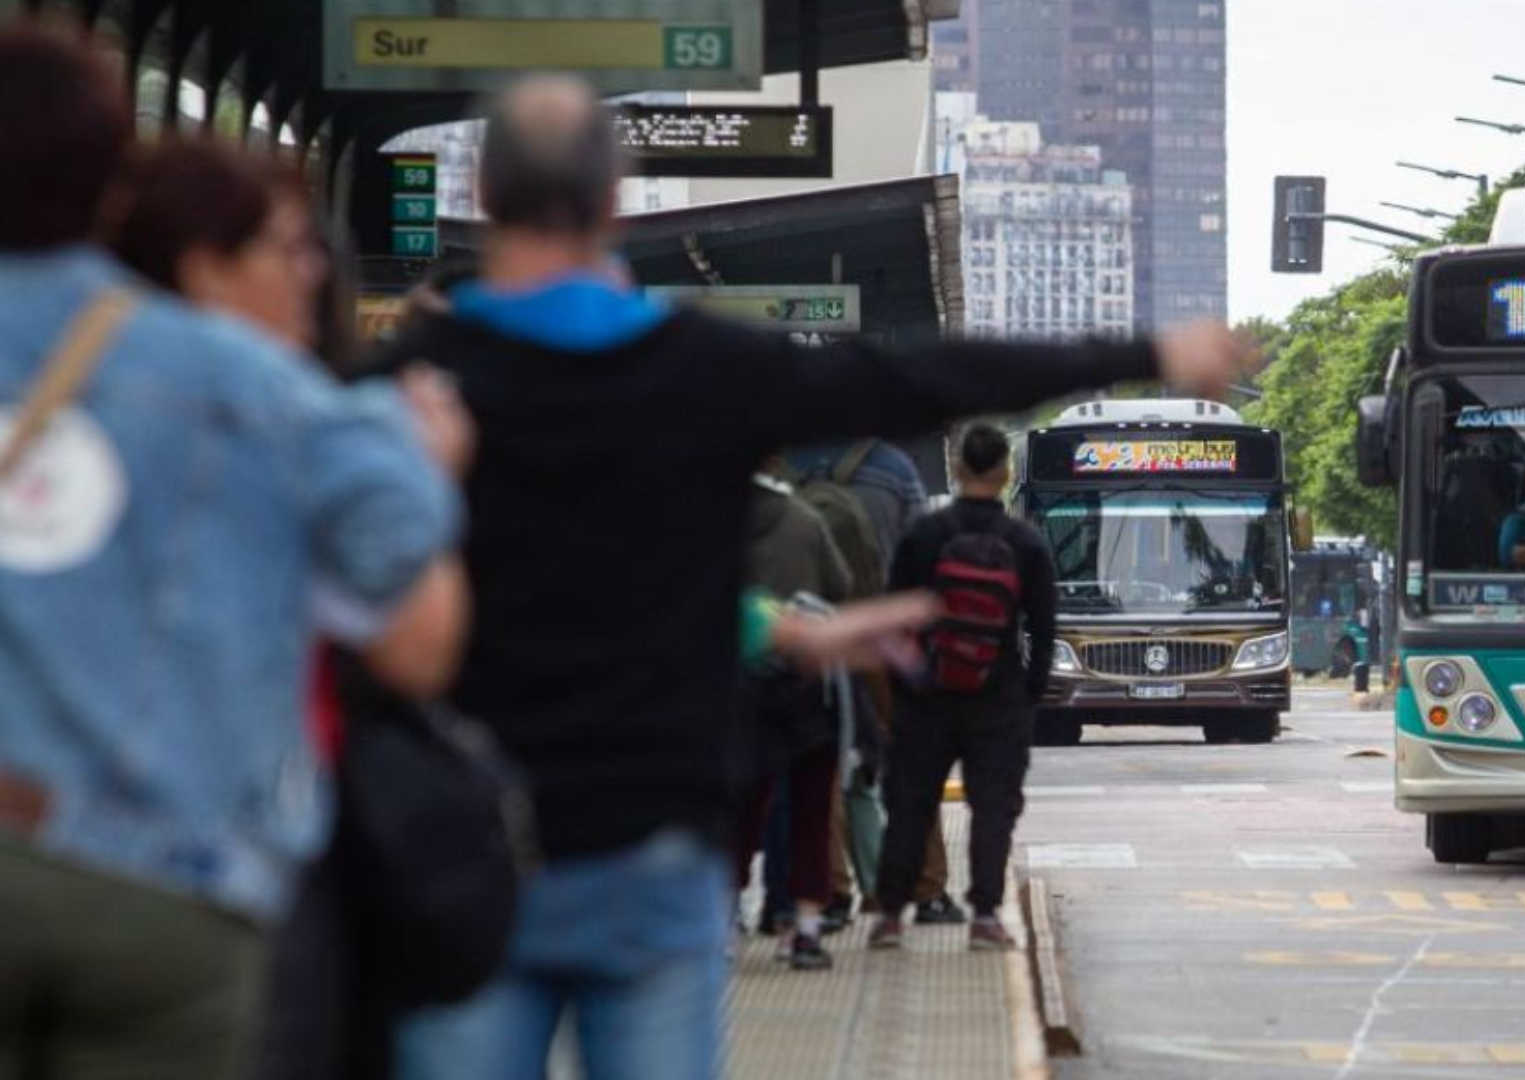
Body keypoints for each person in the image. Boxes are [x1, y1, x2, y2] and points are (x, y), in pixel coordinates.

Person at [382, 74, 1249, 1080]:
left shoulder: (411, 382)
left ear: (482, 194)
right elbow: (926, 374)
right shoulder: (703, 368)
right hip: (652, 843)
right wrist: (1148, 349)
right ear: (616, 200)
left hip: (466, 846)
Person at [0, 23, 460, 1080]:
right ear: (109, 180)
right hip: (160, 883)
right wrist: (428, 460)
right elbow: (411, 619)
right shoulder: (241, 381)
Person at [105, 137, 475, 1080]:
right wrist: (430, 485)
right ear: (204, 264)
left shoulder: (71, 403)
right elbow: (414, 648)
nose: (311, 269)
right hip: (250, 862)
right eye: (286, 246)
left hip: (76, 858)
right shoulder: (306, 423)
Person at [869, 425, 1054, 951]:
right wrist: (1028, 694)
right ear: (1004, 473)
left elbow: (894, 615)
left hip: (927, 695)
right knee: (993, 807)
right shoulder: (1024, 543)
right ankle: (986, 917)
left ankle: (889, 917)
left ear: (956, 469)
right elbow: (1043, 629)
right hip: (997, 698)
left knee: (911, 804)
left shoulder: (925, 535)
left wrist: (906, 683)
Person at [783, 439, 966, 926]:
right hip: (886, 637)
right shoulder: (893, 467)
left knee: (820, 763)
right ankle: (926, 891)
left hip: (814, 637)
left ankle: (828, 893)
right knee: (912, 758)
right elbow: (920, 550)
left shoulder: (791, 463)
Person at [736, 467, 852, 970]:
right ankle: (803, 931)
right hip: (806, 688)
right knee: (808, 812)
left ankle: (722, 927)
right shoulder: (806, 520)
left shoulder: (714, 519)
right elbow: (841, 585)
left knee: (737, 812)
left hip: (738, 690)